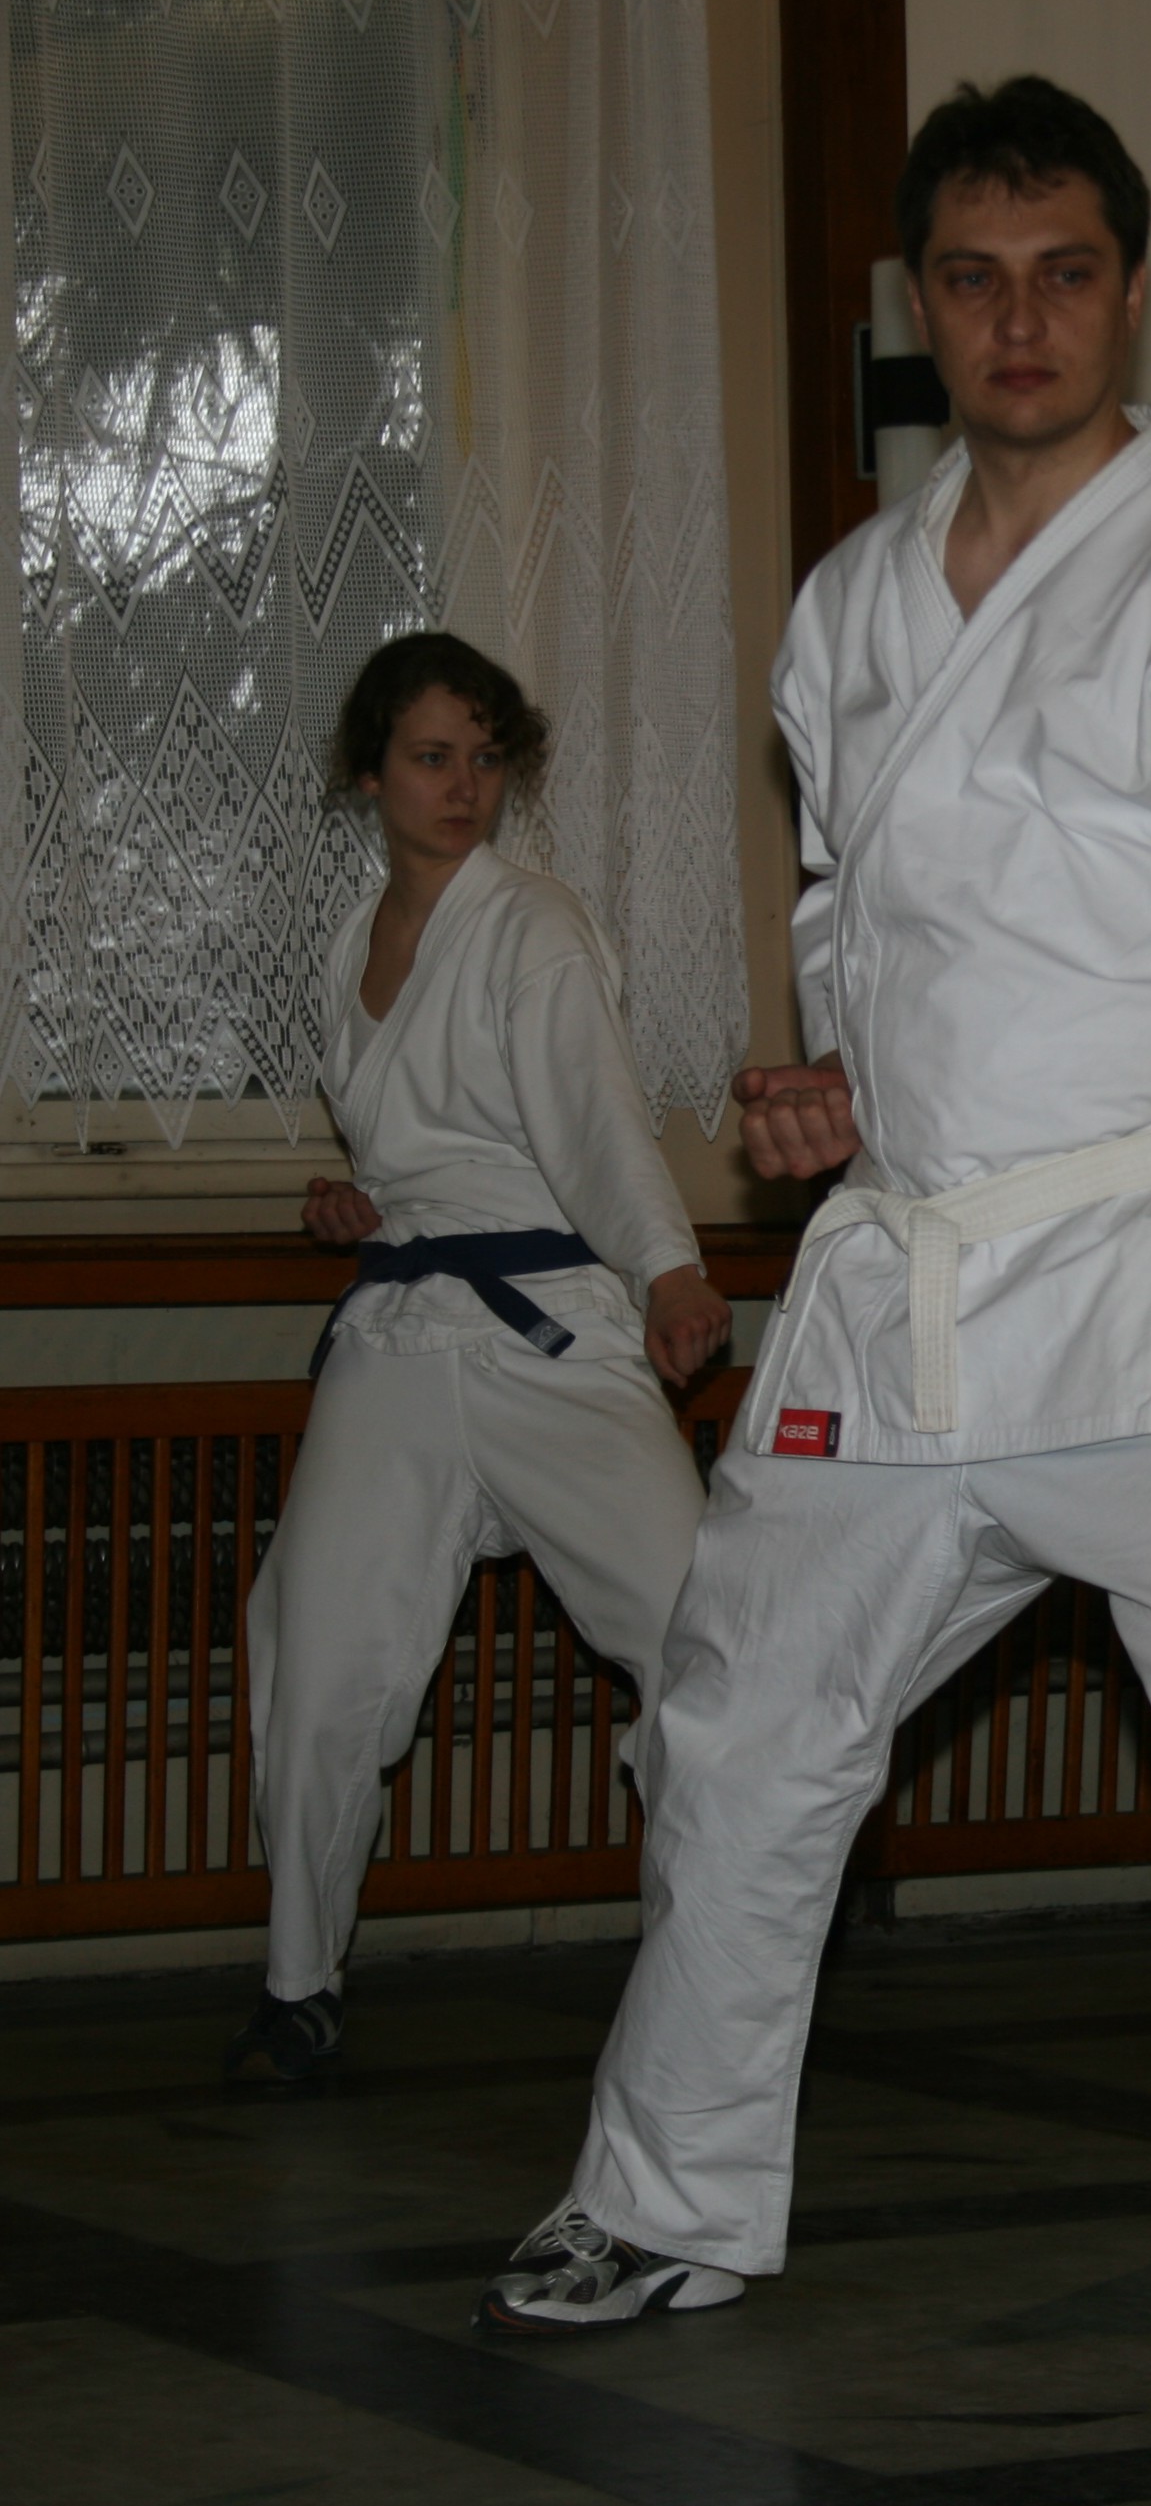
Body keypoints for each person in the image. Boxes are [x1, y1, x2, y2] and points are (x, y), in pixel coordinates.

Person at [474, 78, 1151, 2459]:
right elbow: (861, 912)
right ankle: (664, 2196)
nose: (1021, 320)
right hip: (916, 1265)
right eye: (973, 280)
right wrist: (828, 1086)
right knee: (744, 1716)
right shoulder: (853, 605)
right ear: (920, 303)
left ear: (1130, 292)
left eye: (1065, 273)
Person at [226, 633, 730, 2084]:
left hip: (552, 1324)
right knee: (314, 1655)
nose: (464, 786)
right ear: (369, 772)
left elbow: (590, 1118)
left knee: (702, 1638)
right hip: (400, 1333)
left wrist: (669, 1267)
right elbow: (425, 1153)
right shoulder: (351, 941)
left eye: (486, 759)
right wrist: (360, 1203)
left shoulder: (533, 924)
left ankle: (731, 1958)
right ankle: (299, 1982)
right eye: (433, 758)